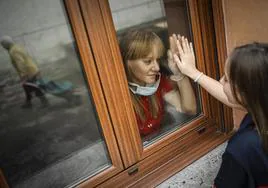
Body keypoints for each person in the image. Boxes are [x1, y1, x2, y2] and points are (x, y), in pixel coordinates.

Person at [173, 36, 268, 187]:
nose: (221, 80)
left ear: (245, 92)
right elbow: (232, 97)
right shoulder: (261, 111)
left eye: (227, 79)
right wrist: (194, 73)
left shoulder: (242, 148)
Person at [119, 30, 197, 137]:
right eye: (147, 61)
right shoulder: (119, 97)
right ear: (127, 62)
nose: (157, 68)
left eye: (157, 60)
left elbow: (190, 109)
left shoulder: (158, 82)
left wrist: (179, 73)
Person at [0, 36, 49, 108]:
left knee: (33, 87)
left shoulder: (13, 51)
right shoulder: (17, 47)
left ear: (6, 44)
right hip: (32, 68)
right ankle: (28, 103)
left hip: (29, 72)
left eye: (3, 45)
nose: (3, 47)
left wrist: (24, 75)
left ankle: (45, 103)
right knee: (27, 87)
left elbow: (20, 63)